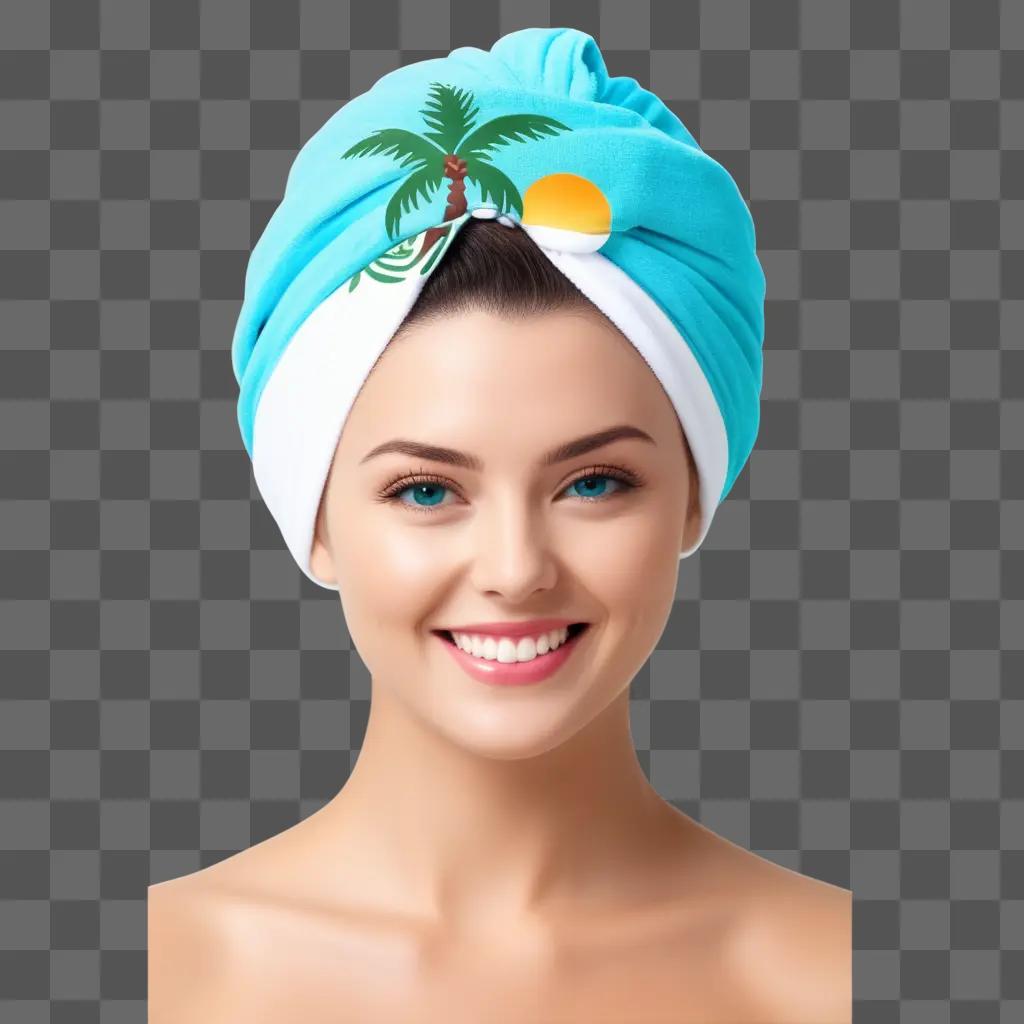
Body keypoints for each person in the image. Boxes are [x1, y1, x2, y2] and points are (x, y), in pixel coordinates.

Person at [149, 27, 851, 1023]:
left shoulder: (846, 979)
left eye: (595, 483)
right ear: (311, 517)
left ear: (695, 492)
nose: (516, 570)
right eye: (427, 491)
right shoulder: (146, 976)